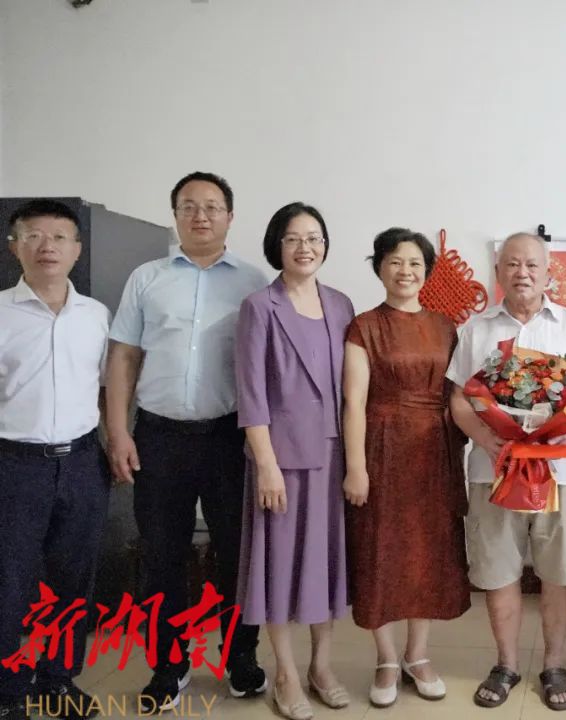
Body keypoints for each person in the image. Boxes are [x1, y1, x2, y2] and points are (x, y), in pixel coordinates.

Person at [105, 171, 269, 712]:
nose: (201, 216)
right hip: (159, 436)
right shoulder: (146, 278)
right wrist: (118, 431)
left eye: (212, 206)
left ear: (230, 216)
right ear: (175, 214)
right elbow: (124, 357)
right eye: (189, 206)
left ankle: (239, 658)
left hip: (229, 438)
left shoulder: (254, 281)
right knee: (161, 556)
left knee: (236, 555)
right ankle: (168, 667)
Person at [446, 232, 566, 712]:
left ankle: (554, 665)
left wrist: (556, 434)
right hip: (492, 469)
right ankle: (506, 663)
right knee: (498, 570)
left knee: (557, 573)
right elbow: (458, 398)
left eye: (531, 264)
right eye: (512, 264)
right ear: (498, 272)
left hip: (557, 473)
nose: (522, 273)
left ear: (549, 272)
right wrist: (486, 438)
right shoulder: (475, 329)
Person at [342, 227, 471, 708]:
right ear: (379, 267)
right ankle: (386, 659)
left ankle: (418, 655)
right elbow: (354, 402)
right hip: (382, 448)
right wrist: (356, 467)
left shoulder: (445, 327)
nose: (405, 271)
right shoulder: (363, 326)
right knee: (381, 550)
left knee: (427, 553)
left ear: (427, 271)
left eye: (415, 263)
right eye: (395, 261)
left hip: (434, 451)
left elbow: (458, 396)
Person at [234, 203, 353, 720]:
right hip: (281, 460)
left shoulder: (341, 304)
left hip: (333, 456)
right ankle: (284, 672)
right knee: (279, 567)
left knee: (326, 565)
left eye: (314, 237)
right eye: (293, 238)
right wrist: (265, 465)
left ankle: (321, 666)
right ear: (276, 246)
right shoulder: (259, 307)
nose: (306, 247)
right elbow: (251, 394)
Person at [0, 200, 111, 720]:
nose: (48, 246)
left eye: (60, 237)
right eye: (34, 236)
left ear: (77, 250)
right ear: (14, 246)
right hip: (15, 465)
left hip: (83, 462)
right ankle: (7, 690)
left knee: (73, 582)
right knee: (9, 582)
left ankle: (57, 679)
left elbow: (107, 387)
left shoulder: (96, 316)